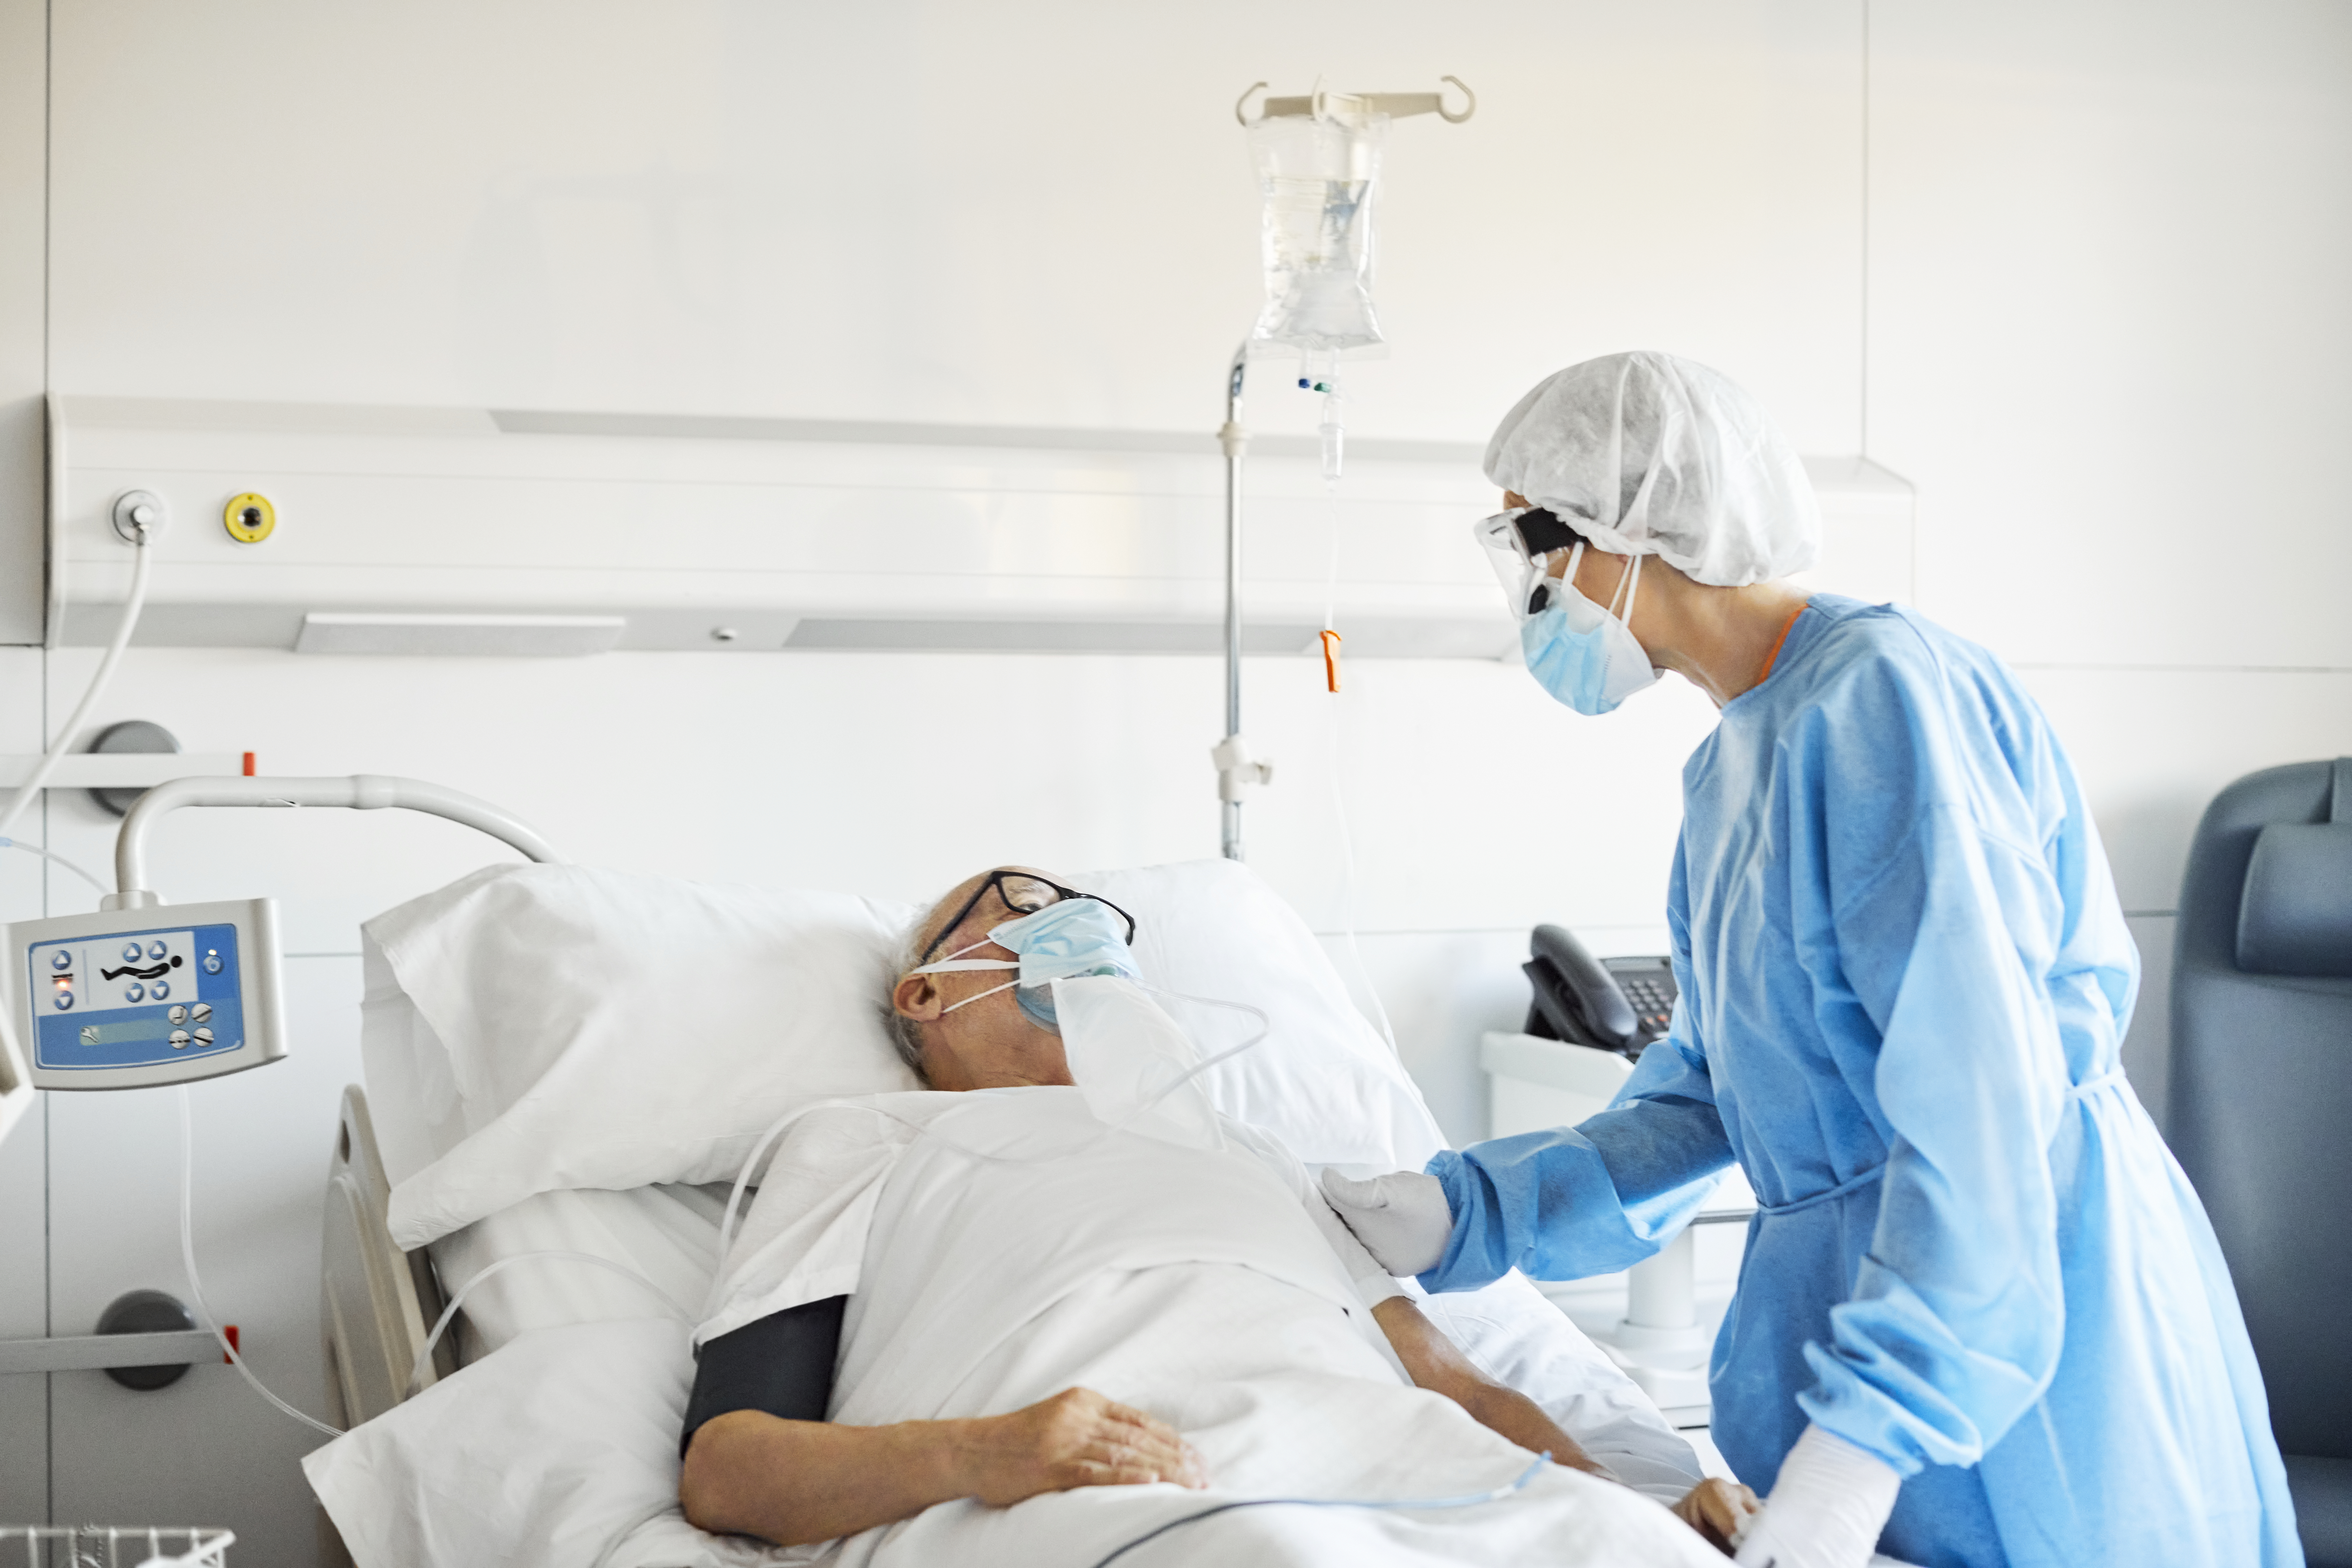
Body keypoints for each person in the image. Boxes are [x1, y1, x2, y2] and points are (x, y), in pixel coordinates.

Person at [1321, 351, 2300, 1568]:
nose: (1534, 590)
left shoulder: (1884, 703)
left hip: (2033, 1355)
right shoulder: (1733, 768)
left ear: (1634, 534)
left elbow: (1982, 1108)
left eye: (1540, 543)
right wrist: (1469, 1210)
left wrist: (1865, 1450)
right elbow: (1717, 1089)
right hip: (1894, 1364)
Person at [679, 864, 1755, 1555]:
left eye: (1103, 924)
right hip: (1145, 1488)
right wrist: (987, 1453)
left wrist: (1633, 1509)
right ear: (925, 993)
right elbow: (730, 1470)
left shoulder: (1250, 1149)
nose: (1086, 926)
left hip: (1427, 1470)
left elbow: (1456, 1383)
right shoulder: (863, 1141)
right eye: (1027, 907)